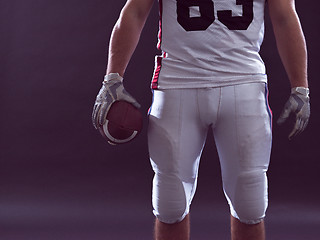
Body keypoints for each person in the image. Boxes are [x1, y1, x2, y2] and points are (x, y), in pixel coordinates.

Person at [92, 0, 310, 239]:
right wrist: (112, 77)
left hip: (243, 82)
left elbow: (285, 16)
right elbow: (134, 10)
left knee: (250, 203)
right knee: (170, 203)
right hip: (178, 82)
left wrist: (300, 87)